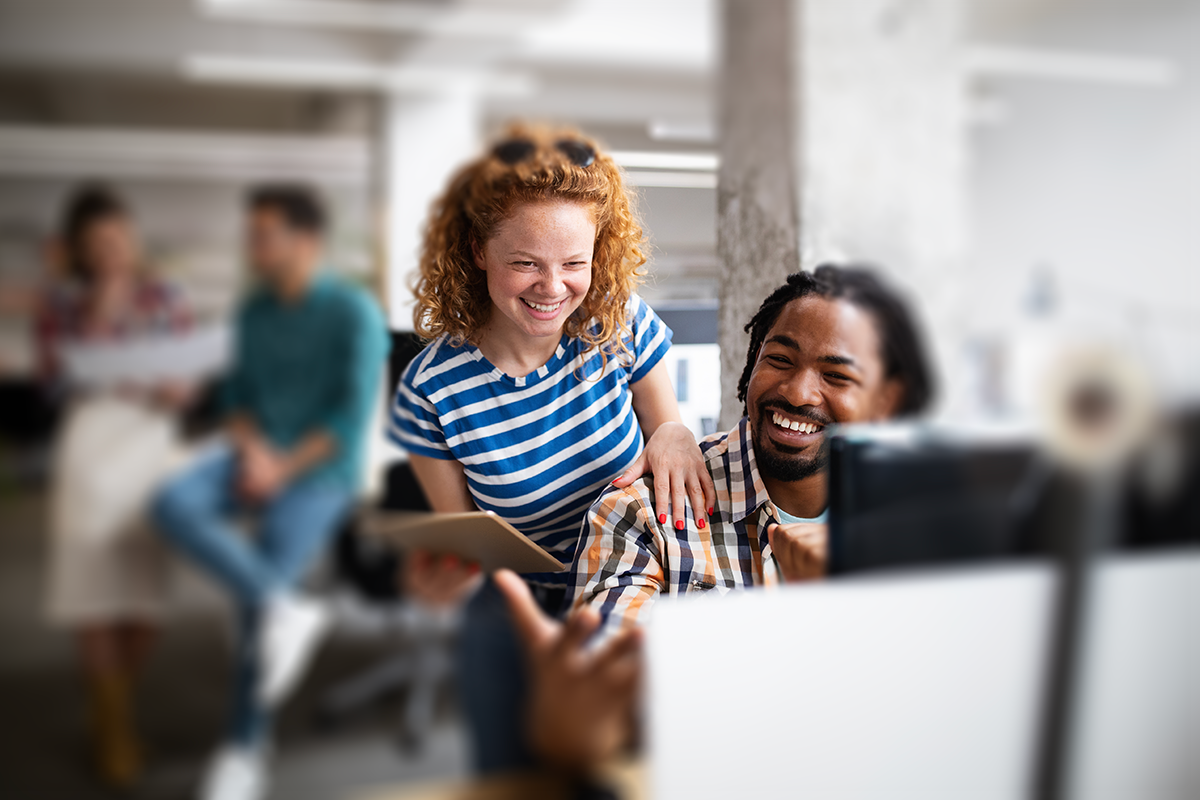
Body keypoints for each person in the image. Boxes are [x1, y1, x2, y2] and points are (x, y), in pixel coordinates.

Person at [497, 264, 935, 769]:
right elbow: (606, 701)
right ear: (750, 366)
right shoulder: (643, 512)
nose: (797, 393)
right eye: (779, 360)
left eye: (836, 376)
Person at [387, 125, 714, 773]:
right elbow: (466, 541)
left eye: (574, 263)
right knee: (516, 775)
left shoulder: (615, 323)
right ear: (479, 252)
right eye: (526, 263)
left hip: (631, 582)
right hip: (518, 601)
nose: (553, 288)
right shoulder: (431, 389)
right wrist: (443, 577)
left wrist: (676, 436)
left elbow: (666, 431)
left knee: (644, 771)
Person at [151, 185, 389, 800]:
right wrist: (254, 453)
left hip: (319, 474)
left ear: (306, 241)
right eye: (251, 234)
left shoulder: (353, 313)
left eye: (265, 234)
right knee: (172, 503)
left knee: (255, 609)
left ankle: (243, 747)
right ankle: (282, 601)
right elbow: (235, 400)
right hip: (253, 453)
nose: (252, 247)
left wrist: (279, 472)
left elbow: (346, 420)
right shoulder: (254, 312)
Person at [37, 185, 196, 788]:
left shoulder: (165, 296)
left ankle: (113, 700)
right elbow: (51, 383)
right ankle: (113, 726)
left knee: (145, 595)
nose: (112, 251)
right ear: (80, 249)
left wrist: (177, 387)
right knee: (95, 589)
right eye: (98, 243)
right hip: (90, 446)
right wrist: (100, 313)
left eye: (119, 238)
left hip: (152, 441)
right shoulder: (64, 305)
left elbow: (187, 374)